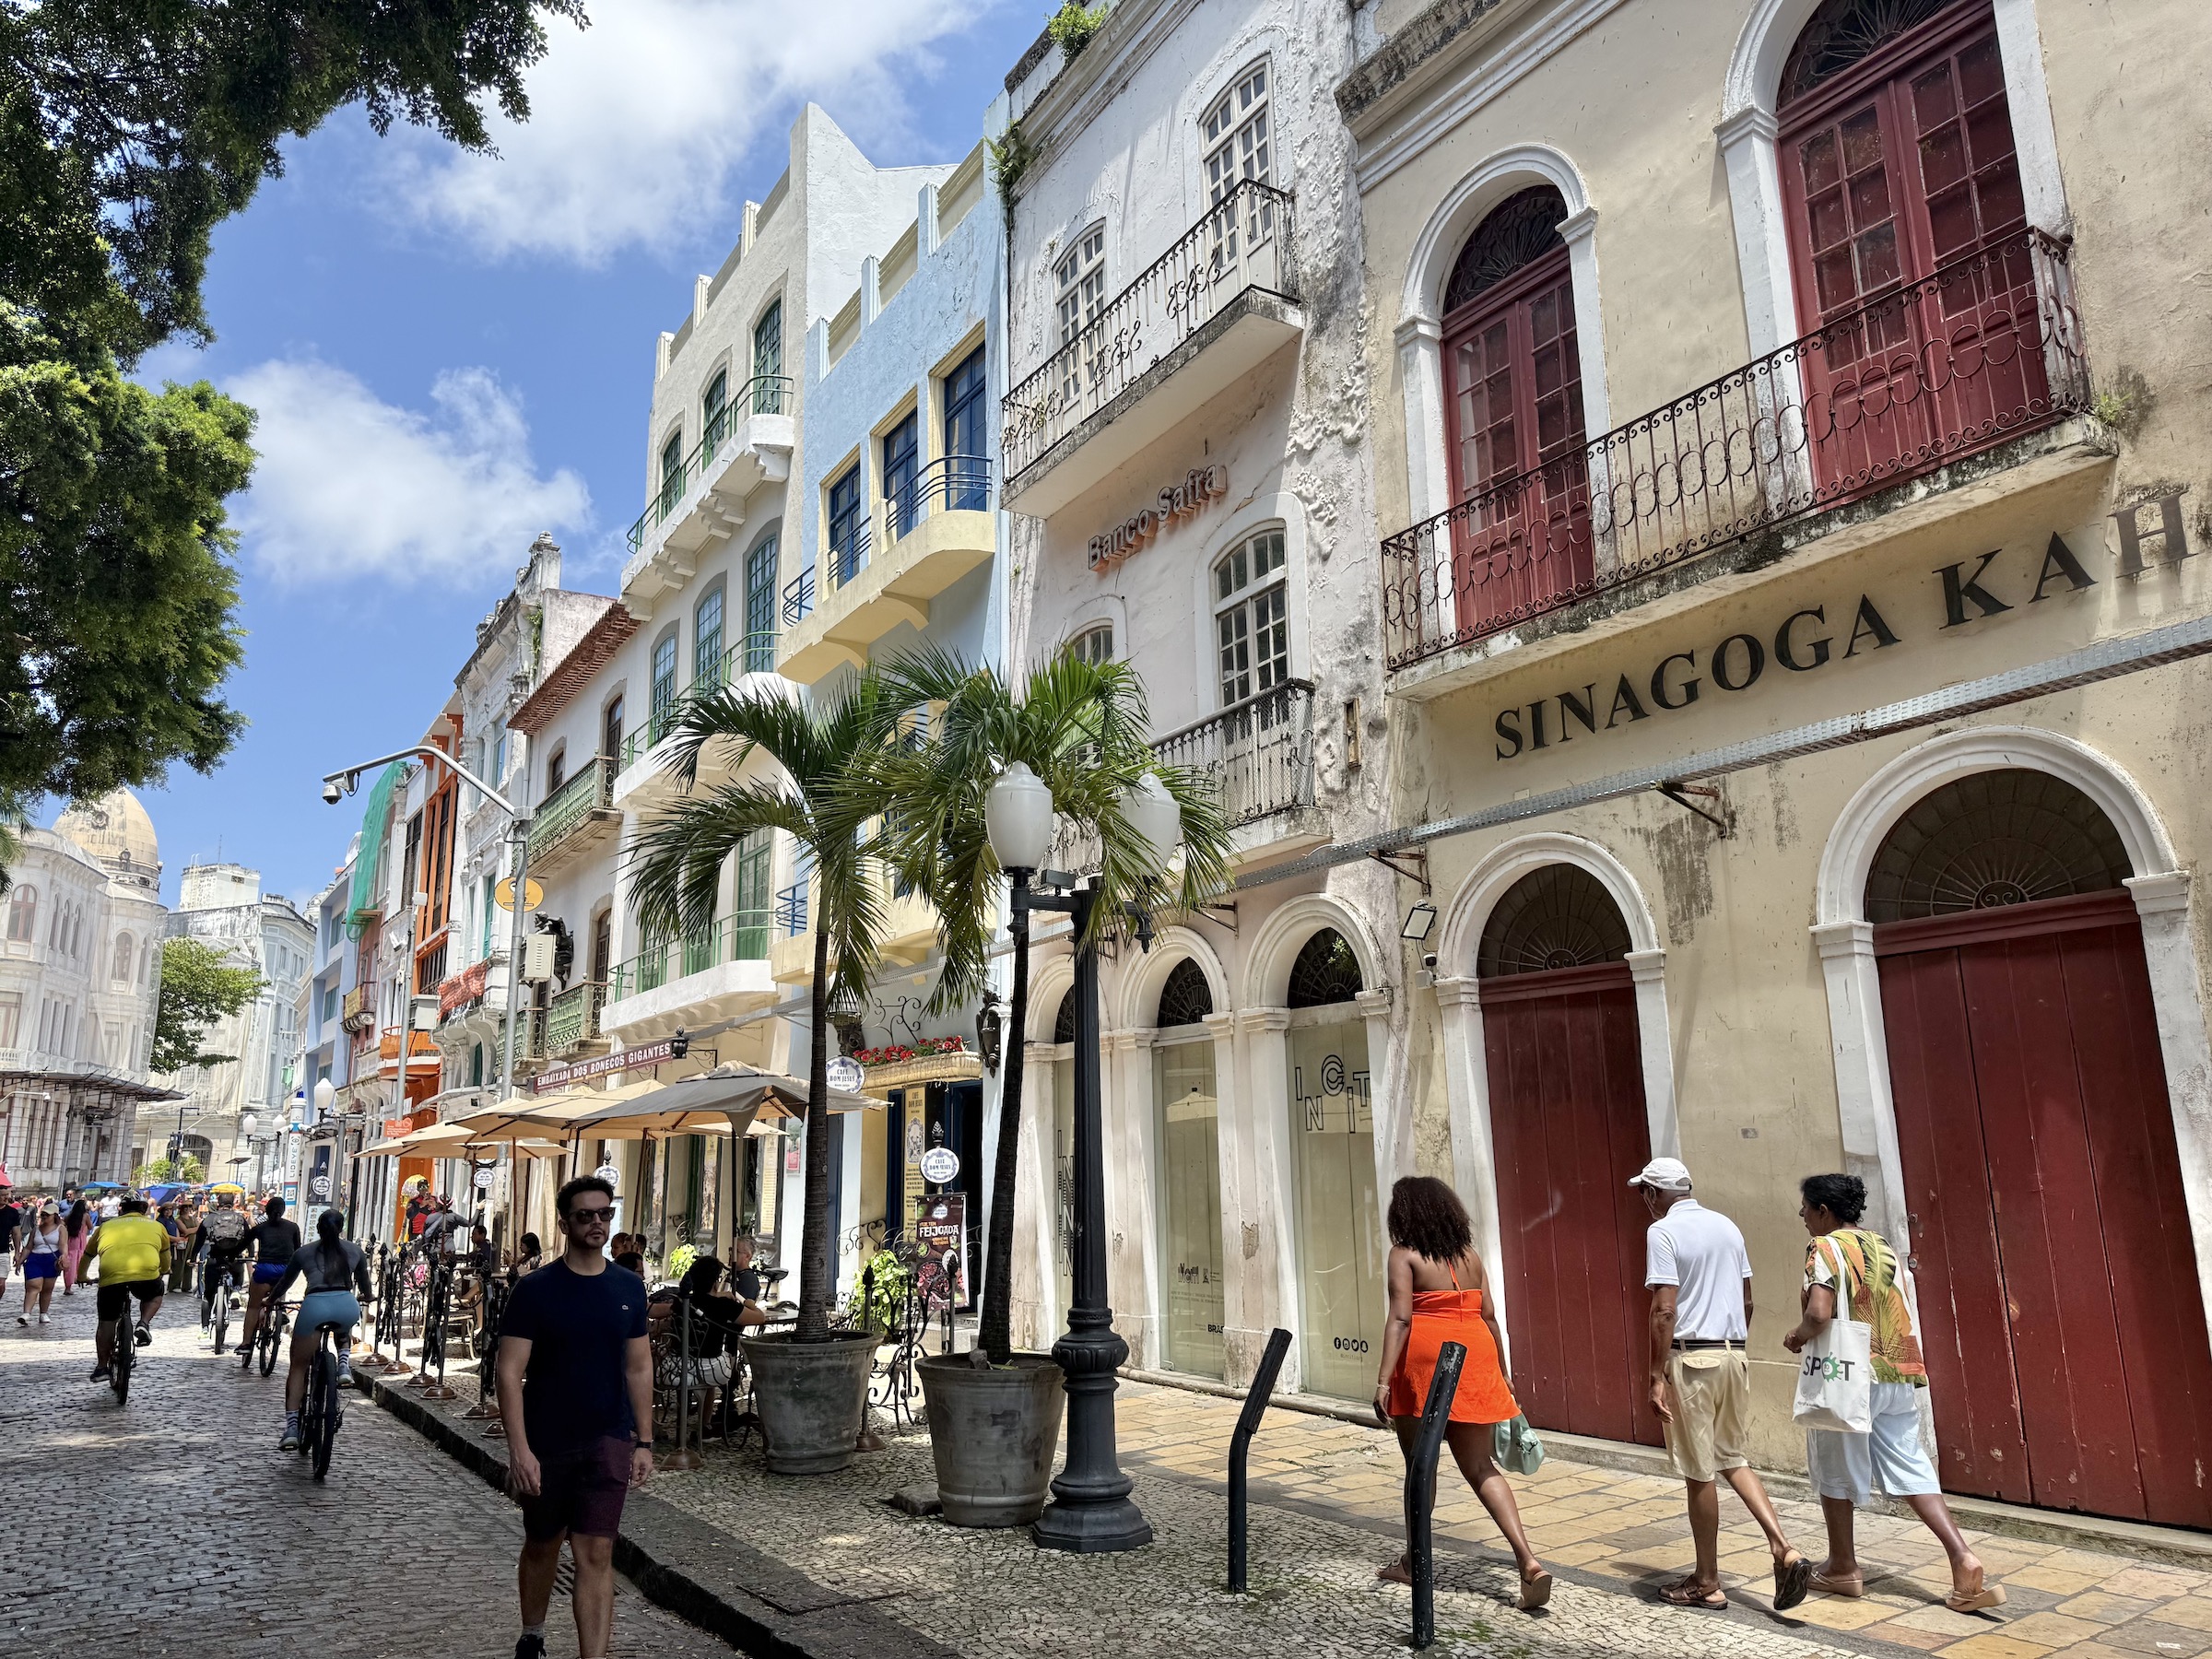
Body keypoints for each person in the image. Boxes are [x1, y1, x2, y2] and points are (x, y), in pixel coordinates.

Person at [1783, 1174, 2004, 1613]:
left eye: (1805, 1208)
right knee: (1910, 1463)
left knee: (1834, 1467)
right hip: (1897, 1370)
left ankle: (1843, 1566)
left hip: (1848, 1375)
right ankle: (1962, 1556)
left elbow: (1819, 1313)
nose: (1803, 1216)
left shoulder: (1823, 1247)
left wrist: (1797, 1335)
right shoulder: (1881, 1245)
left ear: (1824, 1211)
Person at [1636, 1156, 1811, 1612]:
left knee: (1699, 1471)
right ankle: (1783, 1547)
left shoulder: (1662, 1232)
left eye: (1644, 1193)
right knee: (1733, 1457)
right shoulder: (1727, 1226)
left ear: (1654, 1194)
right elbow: (1747, 1300)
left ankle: (1707, 1580)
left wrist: (1655, 1375)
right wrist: (1731, 1344)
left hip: (1693, 1358)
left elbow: (1664, 1309)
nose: (1645, 1202)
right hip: (1734, 1354)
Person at [1370, 1176, 1550, 1610]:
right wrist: (1503, 1373)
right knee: (1480, 1466)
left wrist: (1382, 1381)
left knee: (1421, 1466)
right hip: (1475, 1357)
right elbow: (1489, 1317)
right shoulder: (1469, 1255)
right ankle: (1528, 1561)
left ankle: (1415, 1563)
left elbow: (1401, 1318)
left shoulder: (1403, 1254)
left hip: (1425, 1362)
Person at [498, 1176, 652, 1659]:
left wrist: (645, 1441)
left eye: (605, 1213)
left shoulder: (629, 1287)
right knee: (543, 1543)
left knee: (597, 1552)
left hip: (609, 1436)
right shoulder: (535, 1290)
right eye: (585, 1215)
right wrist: (519, 1450)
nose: (597, 1223)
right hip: (548, 1439)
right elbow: (509, 1371)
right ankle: (533, 1634)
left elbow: (639, 1366)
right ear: (565, 1224)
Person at [274, 1210, 373, 1450]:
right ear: (341, 1228)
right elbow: (365, 1286)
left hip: (314, 1306)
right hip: (346, 1305)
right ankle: (343, 1364)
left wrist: (270, 1300)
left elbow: (285, 1282)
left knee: (298, 1367)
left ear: (318, 1228)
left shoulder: (303, 1252)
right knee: (343, 1327)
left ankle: (292, 1428)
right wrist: (368, 1296)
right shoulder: (355, 1251)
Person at [86, 1197, 170, 1382]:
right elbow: (165, 1255)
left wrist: (81, 1276)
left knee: (106, 1322)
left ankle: (102, 1368)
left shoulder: (105, 1226)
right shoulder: (156, 1226)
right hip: (146, 1274)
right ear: (144, 1210)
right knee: (155, 1294)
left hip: (111, 1276)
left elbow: (88, 1254)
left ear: (121, 1209)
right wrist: (164, 1270)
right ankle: (144, 1323)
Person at [236, 1197, 303, 1370]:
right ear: (283, 1211)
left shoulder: (260, 1228)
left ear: (266, 1211)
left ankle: (246, 1342)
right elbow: (298, 1250)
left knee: (253, 1306)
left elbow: (242, 1245)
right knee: (283, 1283)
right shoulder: (293, 1227)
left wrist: (230, 1256)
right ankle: (281, 1308)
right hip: (285, 1272)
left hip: (265, 1270)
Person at [194, 1192, 253, 1335]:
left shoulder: (210, 1218)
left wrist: (192, 1257)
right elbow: (248, 1239)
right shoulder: (240, 1218)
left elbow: (199, 1240)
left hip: (215, 1259)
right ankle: (236, 1290)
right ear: (232, 1204)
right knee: (238, 1272)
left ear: (218, 1203)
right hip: (234, 1259)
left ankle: (205, 1328)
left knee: (208, 1294)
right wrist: (250, 1255)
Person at [18, 1201, 65, 1325]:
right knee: (33, 1286)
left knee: (47, 1289)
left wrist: (64, 1257)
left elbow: (63, 1245)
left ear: (54, 1216)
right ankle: (26, 1313)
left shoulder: (61, 1229)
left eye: (47, 1215)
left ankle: (43, 1313)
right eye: (43, 1214)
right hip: (35, 1258)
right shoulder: (36, 1229)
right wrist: (20, 1261)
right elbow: (29, 1247)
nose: (44, 1217)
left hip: (51, 1259)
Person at [59, 1197, 90, 1294]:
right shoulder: (85, 1216)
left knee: (70, 1262)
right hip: (80, 1240)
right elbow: (90, 1226)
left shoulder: (69, 1216)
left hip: (70, 1239)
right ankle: (78, 1278)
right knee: (79, 1260)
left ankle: (68, 1286)